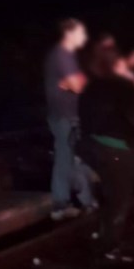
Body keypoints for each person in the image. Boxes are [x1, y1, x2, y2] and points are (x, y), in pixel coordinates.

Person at [78, 45, 134, 260]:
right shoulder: (123, 87)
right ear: (117, 64)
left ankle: (102, 235)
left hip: (97, 148)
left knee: (109, 196)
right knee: (119, 200)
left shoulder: (91, 87)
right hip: (120, 151)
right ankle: (110, 247)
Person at [44, 18, 95, 220]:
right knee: (65, 160)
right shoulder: (62, 55)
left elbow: (80, 81)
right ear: (70, 33)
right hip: (63, 116)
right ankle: (60, 205)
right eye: (81, 33)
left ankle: (86, 201)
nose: (84, 37)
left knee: (73, 159)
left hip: (67, 116)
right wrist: (74, 82)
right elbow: (79, 86)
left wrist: (74, 81)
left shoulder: (67, 56)